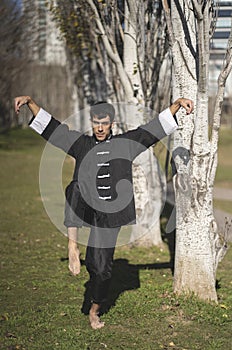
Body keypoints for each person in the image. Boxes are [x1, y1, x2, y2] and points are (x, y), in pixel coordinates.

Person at [14, 96, 194, 329]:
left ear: (112, 123)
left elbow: (152, 130)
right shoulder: (82, 144)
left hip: (109, 217)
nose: (100, 128)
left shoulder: (125, 144)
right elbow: (53, 129)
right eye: (96, 123)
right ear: (91, 122)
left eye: (105, 123)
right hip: (84, 209)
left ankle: (95, 309)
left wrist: (177, 104)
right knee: (75, 187)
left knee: (100, 269)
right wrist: (30, 102)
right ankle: (72, 245)